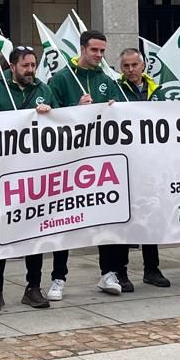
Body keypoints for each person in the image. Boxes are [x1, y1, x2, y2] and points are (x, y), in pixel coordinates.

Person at [0, 46, 61, 309]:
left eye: (33, 65)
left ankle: (33, 287)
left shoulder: (44, 90)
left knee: (35, 232)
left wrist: (51, 113)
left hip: (36, 173)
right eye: (25, 65)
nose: (30, 70)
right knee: (0, 232)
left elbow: (63, 123)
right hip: (3, 173)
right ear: (12, 67)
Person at [48, 31, 125, 293]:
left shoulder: (106, 79)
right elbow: (51, 116)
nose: (99, 55)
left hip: (100, 160)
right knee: (64, 218)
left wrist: (114, 107)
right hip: (69, 161)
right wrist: (75, 108)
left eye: (102, 51)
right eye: (94, 50)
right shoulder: (62, 78)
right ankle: (58, 277)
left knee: (105, 214)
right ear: (82, 49)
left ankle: (108, 273)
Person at [114, 47, 169, 287]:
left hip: (151, 164)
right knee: (124, 219)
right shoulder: (116, 89)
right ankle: (121, 271)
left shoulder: (157, 91)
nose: (130, 70)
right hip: (124, 165)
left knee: (151, 215)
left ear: (143, 65)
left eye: (134, 65)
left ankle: (152, 268)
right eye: (125, 66)